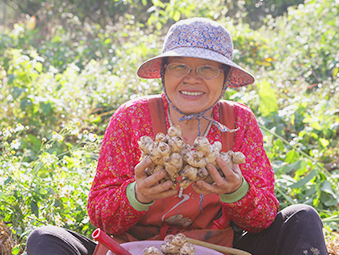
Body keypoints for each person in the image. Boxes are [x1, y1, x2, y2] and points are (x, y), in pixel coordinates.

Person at [26, 17, 328, 255]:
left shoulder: (240, 122)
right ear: (163, 74)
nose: (191, 78)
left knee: (302, 217)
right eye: (179, 66)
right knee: (46, 239)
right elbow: (102, 217)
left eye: (207, 68)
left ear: (224, 79)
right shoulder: (131, 118)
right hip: (132, 250)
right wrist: (138, 195)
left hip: (216, 249)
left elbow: (263, 217)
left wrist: (236, 190)